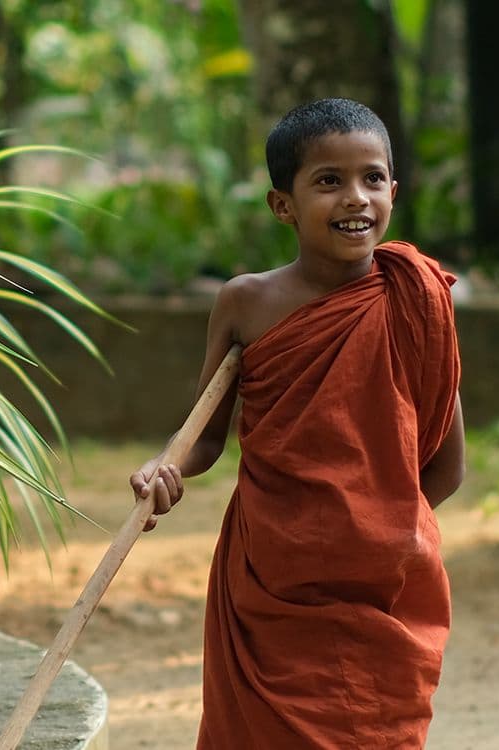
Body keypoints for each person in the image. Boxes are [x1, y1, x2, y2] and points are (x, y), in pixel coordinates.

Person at [129, 98, 465, 748]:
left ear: (394, 190)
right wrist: (162, 469)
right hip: (270, 578)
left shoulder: (419, 300)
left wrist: (375, 526)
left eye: (372, 179)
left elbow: (448, 466)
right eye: (328, 182)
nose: (355, 199)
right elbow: (203, 438)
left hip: (382, 585)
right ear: (282, 204)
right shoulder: (247, 303)